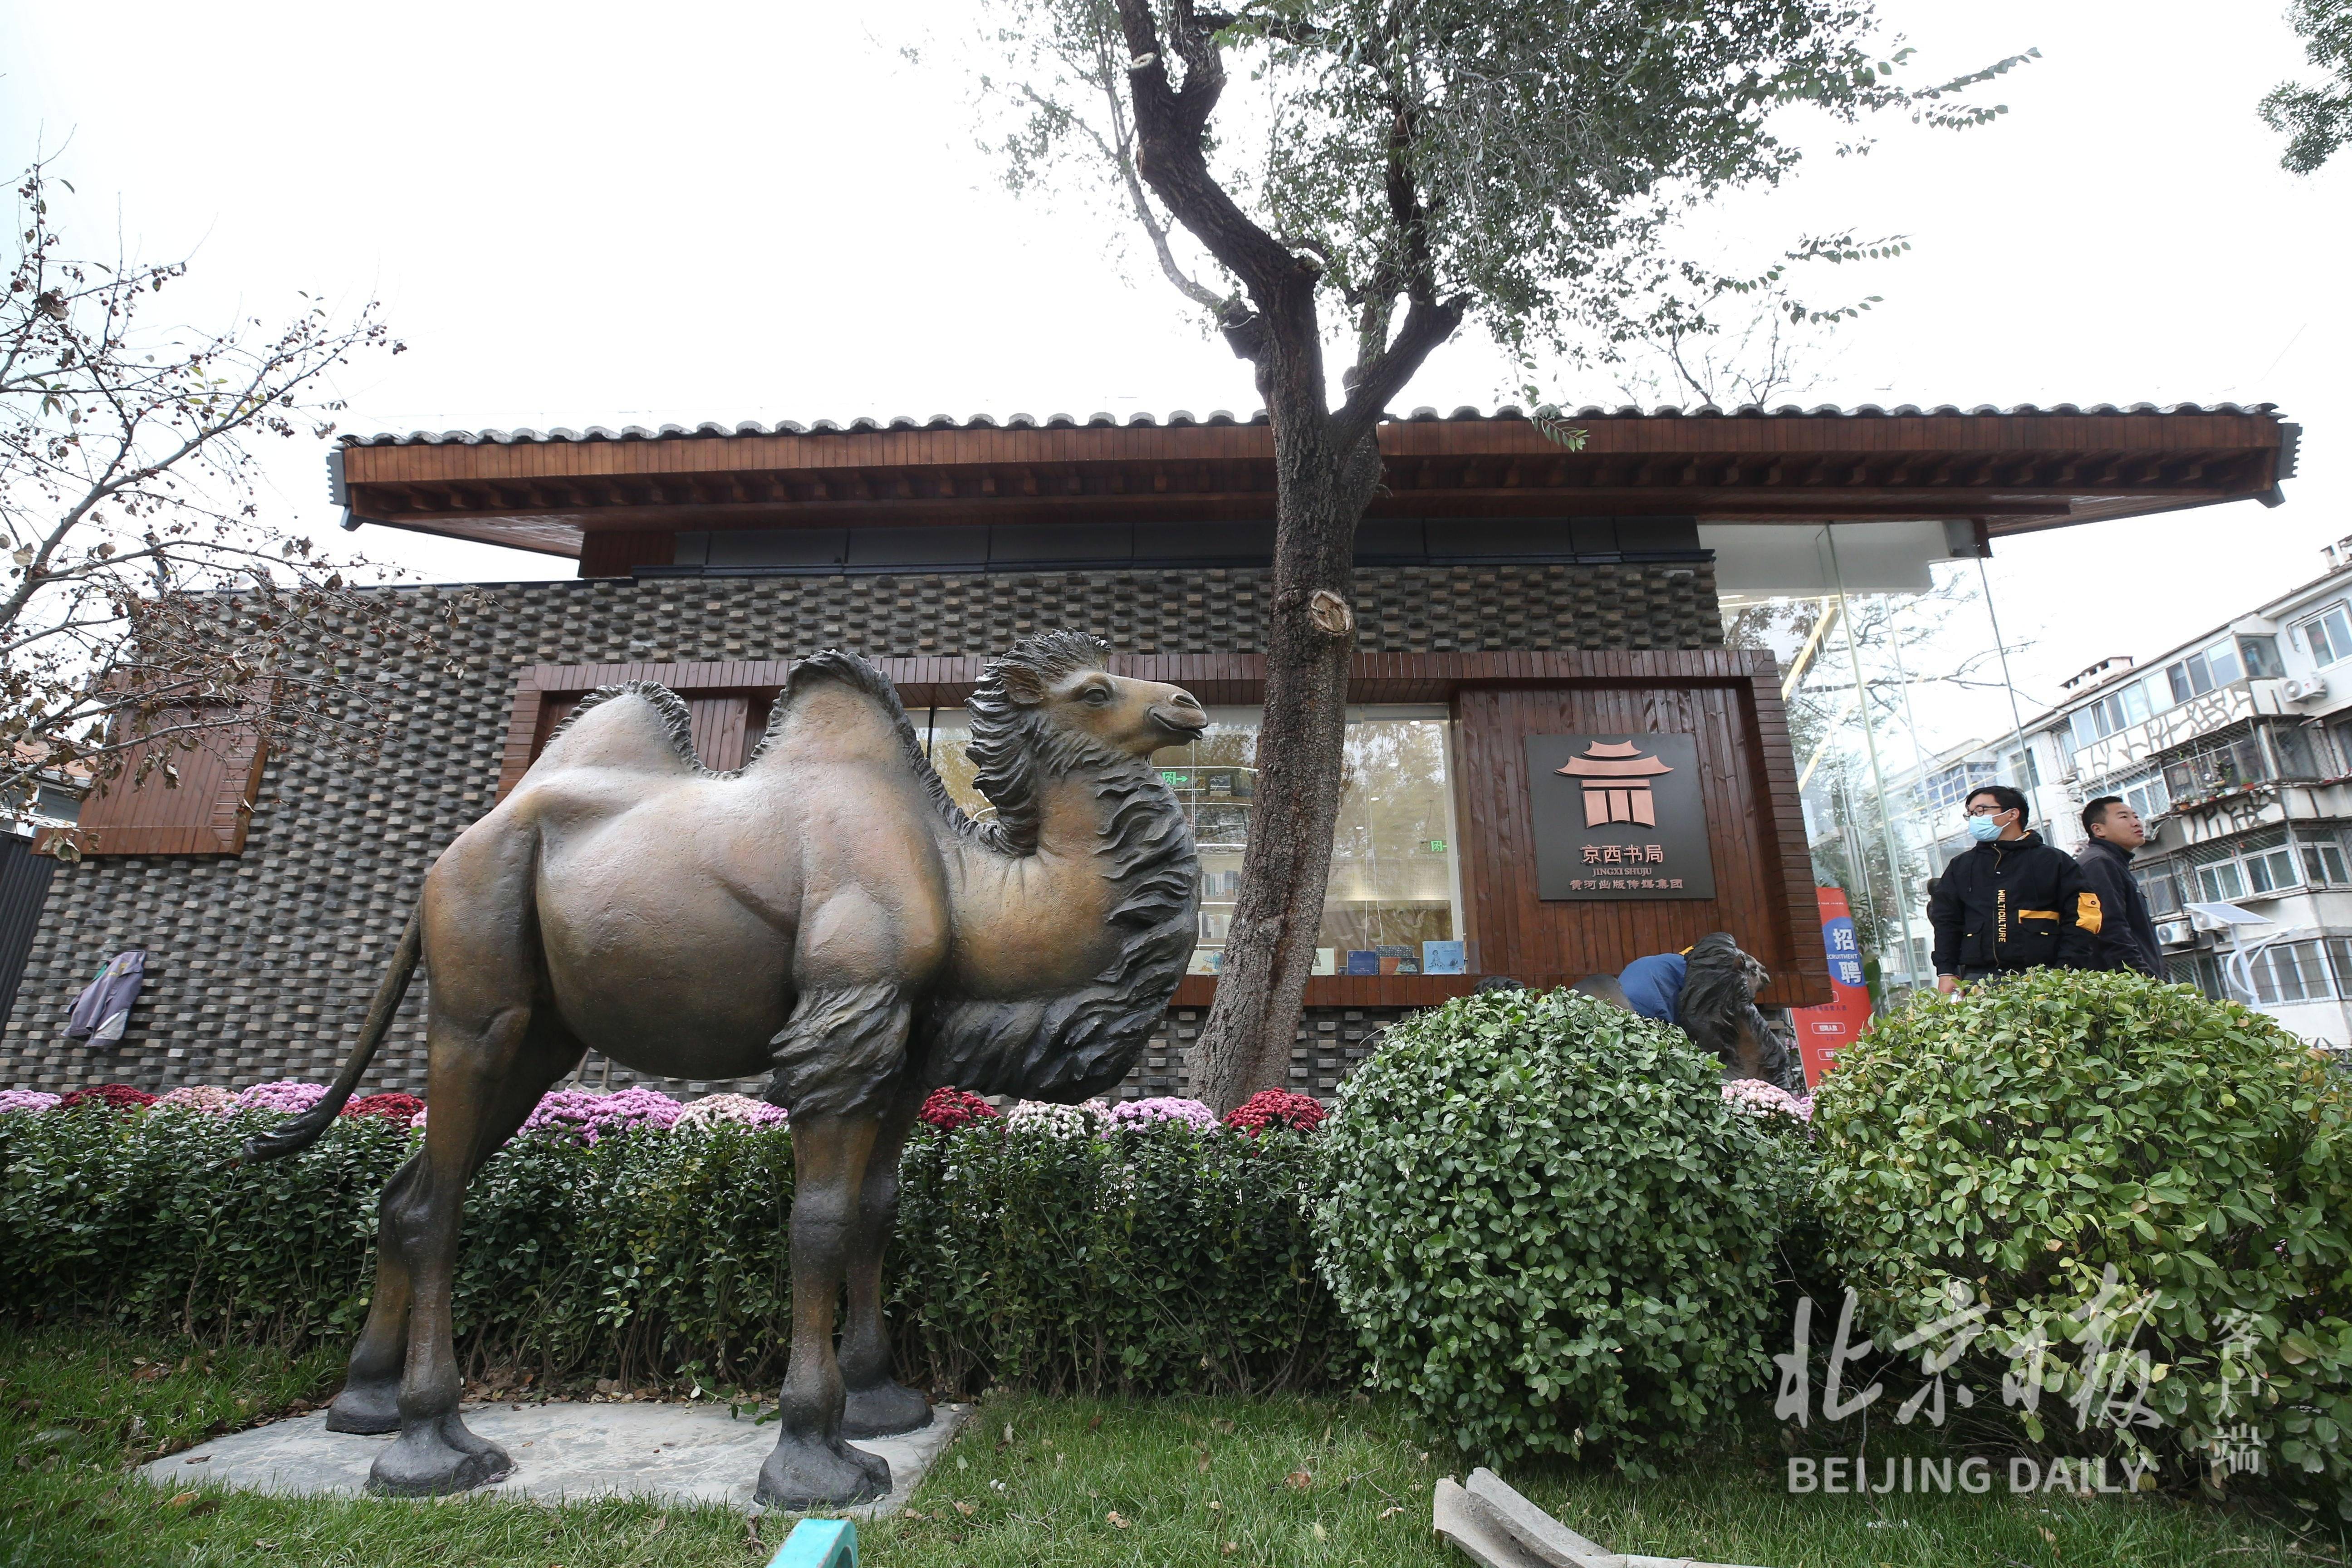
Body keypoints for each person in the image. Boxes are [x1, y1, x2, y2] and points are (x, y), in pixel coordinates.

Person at [1928, 785, 2100, 992]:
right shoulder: (1962, 866)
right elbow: (1946, 920)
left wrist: (2065, 970)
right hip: (1979, 979)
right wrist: (1946, 971)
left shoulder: (2054, 861)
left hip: (2043, 976)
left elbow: (2083, 916)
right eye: (1971, 814)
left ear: (2012, 814)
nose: (1975, 818)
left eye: (1981, 811)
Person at [2075, 795, 2164, 977]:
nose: (2136, 823)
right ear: (2098, 830)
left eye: (2136, 816)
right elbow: (2110, 928)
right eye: (2124, 817)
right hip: (2125, 988)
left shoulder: (2112, 862)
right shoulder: (2099, 863)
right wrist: (2140, 979)